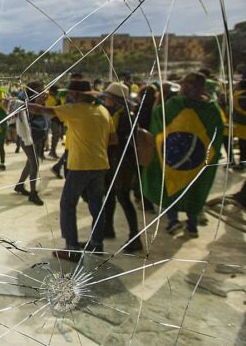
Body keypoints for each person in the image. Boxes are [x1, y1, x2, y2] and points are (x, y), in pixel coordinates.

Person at [29, 79, 115, 261]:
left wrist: (21, 104)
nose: (68, 96)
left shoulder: (75, 110)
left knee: (68, 204)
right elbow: (113, 139)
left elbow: (41, 111)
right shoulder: (103, 111)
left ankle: (72, 248)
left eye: (70, 93)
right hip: (100, 164)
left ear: (76, 94)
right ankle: (96, 244)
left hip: (80, 165)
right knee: (97, 205)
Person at [142, 72, 224, 237]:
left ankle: (173, 221)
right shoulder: (211, 109)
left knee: (170, 186)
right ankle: (192, 226)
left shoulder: (175, 104)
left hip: (173, 157)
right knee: (194, 188)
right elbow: (217, 132)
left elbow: (158, 117)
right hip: (197, 160)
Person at [99, 82, 142, 252]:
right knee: (109, 196)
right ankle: (108, 228)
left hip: (123, 163)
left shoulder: (126, 117)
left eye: (108, 98)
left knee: (124, 198)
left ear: (116, 100)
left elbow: (123, 142)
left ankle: (135, 236)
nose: (105, 101)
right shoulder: (116, 114)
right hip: (113, 161)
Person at [12, 82, 46, 205]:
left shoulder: (39, 102)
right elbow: (26, 120)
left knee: (30, 163)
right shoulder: (25, 104)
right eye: (40, 90)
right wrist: (37, 104)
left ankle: (20, 186)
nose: (43, 93)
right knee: (34, 164)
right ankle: (33, 193)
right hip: (28, 138)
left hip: (37, 136)